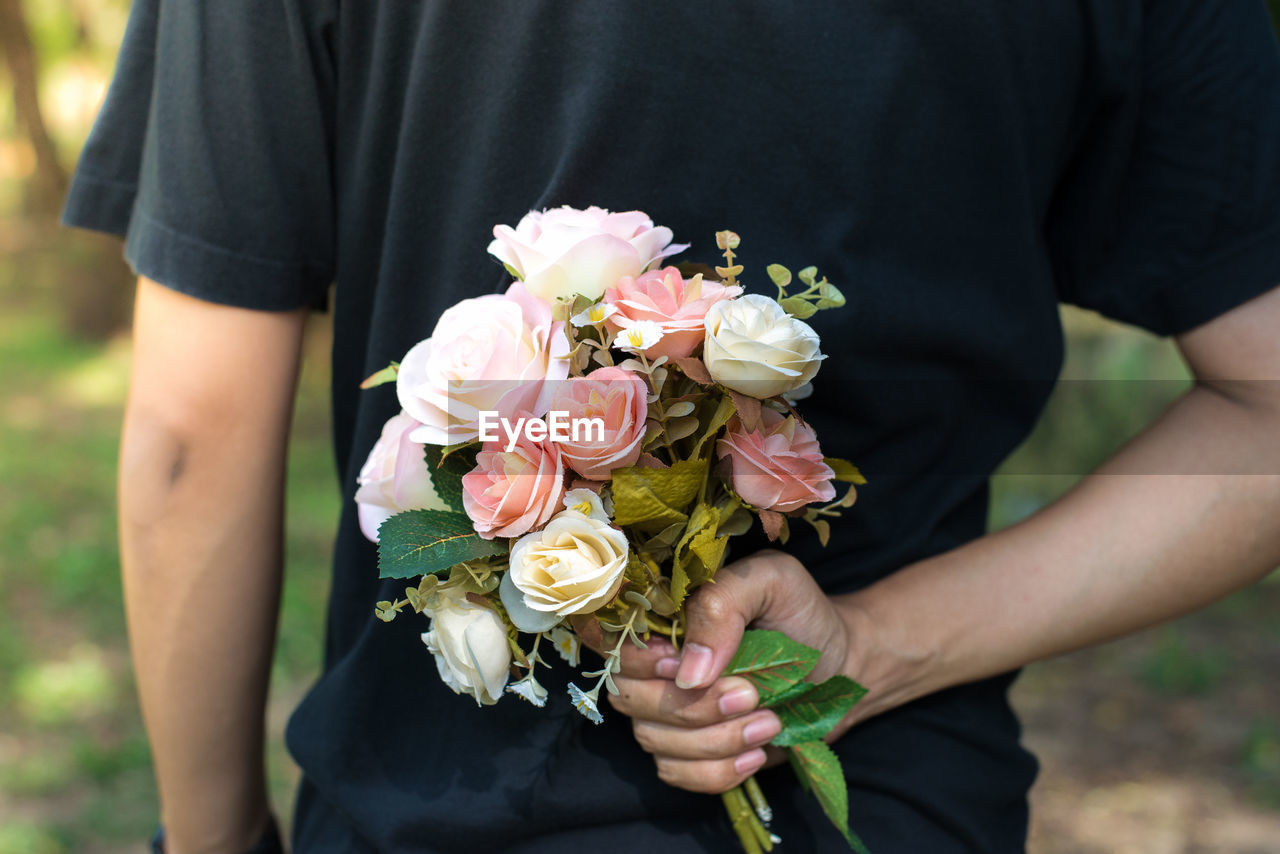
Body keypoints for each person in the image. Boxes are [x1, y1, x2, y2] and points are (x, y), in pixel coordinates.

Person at [64, 2, 1280, 852]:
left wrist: (209, 838)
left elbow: (188, 439)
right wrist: (866, 641)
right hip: (896, 814)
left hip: (419, 810)